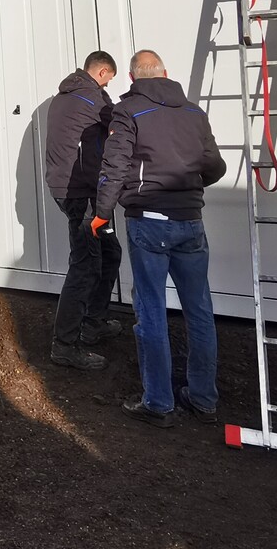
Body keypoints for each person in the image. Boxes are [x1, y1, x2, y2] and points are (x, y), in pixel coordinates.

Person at [95, 49, 228, 428]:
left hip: (149, 222)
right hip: (191, 222)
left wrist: (103, 213)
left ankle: (158, 402)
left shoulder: (129, 111)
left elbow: (114, 166)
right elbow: (215, 166)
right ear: (166, 73)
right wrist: (188, 185)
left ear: (134, 80)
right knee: (199, 309)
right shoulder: (193, 113)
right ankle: (203, 398)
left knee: (150, 310)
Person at [44, 50, 123, 371]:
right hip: (81, 194)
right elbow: (123, 121)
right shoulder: (93, 98)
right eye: (110, 80)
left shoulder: (63, 97)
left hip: (68, 189)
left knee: (110, 251)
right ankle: (65, 345)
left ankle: (93, 322)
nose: (109, 87)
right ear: (102, 72)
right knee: (86, 264)